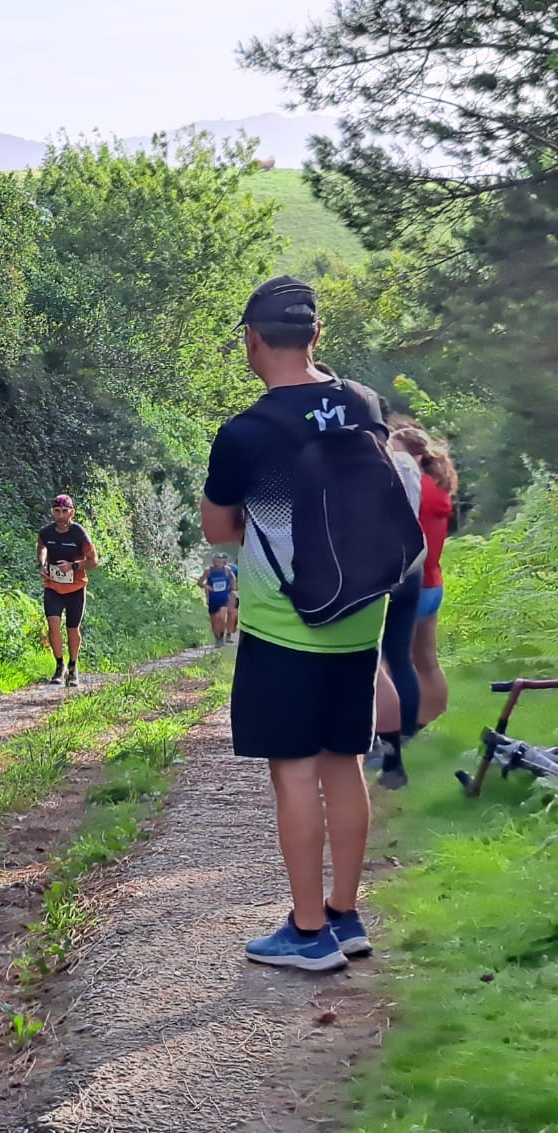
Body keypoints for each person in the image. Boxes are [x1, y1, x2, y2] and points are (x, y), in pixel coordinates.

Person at [202, 275, 390, 972]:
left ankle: (307, 933)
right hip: (361, 615)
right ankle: (345, 916)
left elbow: (219, 528)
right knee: (344, 762)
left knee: (294, 770)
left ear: (252, 340)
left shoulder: (247, 431)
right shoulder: (364, 404)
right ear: (316, 335)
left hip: (287, 624)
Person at [391, 424, 458, 728]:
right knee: (427, 663)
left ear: (414, 457)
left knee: (392, 663)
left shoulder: (412, 487)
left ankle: (397, 729)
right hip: (433, 583)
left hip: (410, 583)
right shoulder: (440, 488)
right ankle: (430, 724)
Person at [372, 431, 425, 789]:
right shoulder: (409, 464)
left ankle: (380, 743)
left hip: (377, 568)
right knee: (401, 658)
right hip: (412, 567)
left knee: (369, 660)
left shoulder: (367, 461)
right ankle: (403, 737)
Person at [37, 495, 98, 686]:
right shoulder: (46, 532)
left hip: (75, 588)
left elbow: (94, 560)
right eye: (57, 511)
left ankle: (73, 666)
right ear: (52, 512)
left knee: (73, 628)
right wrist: (42, 564)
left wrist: (73, 566)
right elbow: (42, 547)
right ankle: (59, 666)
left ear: (72, 512)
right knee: (53, 624)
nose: (61, 515)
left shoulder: (79, 533)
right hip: (53, 587)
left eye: (65, 511)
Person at [197, 553, 237, 647]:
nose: (218, 563)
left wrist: (233, 586)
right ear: (213, 561)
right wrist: (207, 587)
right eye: (216, 560)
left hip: (223, 598)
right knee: (214, 621)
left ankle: (221, 638)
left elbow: (232, 577)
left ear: (223, 562)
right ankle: (217, 639)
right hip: (213, 599)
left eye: (220, 561)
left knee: (222, 618)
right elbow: (199, 583)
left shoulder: (227, 569)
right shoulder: (208, 571)